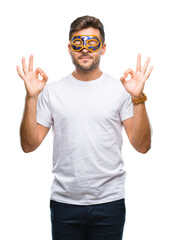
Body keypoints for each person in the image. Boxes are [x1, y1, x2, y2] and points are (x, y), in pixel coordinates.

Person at [17, 15, 153, 240]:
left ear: (103, 48)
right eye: (78, 44)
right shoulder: (52, 92)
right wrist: (31, 97)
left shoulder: (121, 91)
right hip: (64, 203)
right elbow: (29, 145)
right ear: (70, 48)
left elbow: (142, 146)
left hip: (109, 202)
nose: (85, 50)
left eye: (92, 43)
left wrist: (138, 98)